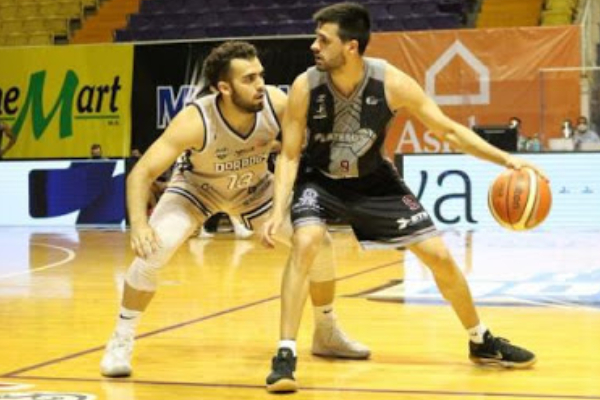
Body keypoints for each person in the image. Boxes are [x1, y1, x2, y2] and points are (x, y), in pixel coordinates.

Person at [261, 3, 547, 393]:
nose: (314, 46)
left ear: (351, 47)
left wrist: (507, 159)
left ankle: (481, 340)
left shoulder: (391, 82)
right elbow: (290, 155)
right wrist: (278, 210)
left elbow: (448, 131)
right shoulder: (305, 86)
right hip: (320, 180)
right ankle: (285, 354)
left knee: (439, 256)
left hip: (374, 182)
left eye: (323, 40)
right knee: (306, 241)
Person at [100, 41, 368, 378]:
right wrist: (140, 225)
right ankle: (121, 338)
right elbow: (141, 174)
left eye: (261, 75)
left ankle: (325, 331)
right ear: (224, 88)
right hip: (196, 190)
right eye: (249, 79)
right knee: (154, 251)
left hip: (253, 191)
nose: (260, 84)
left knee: (320, 243)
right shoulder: (195, 120)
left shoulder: (275, 103)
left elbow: (305, 147)